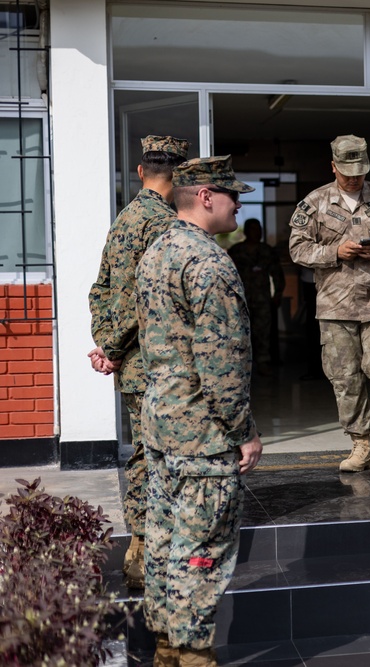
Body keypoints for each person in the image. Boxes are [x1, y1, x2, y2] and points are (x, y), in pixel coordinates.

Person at [136, 155, 261, 667]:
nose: (239, 204)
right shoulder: (208, 262)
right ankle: (191, 653)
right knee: (201, 549)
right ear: (206, 196)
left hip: (162, 425)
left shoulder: (158, 251)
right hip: (203, 435)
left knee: (165, 540)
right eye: (233, 195)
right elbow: (222, 364)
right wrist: (243, 433)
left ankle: (166, 644)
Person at [87, 134, 189, 589]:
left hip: (130, 363)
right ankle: (145, 556)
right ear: (182, 176)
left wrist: (105, 344)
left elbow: (102, 290)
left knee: (145, 455)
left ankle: (140, 552)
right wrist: (112, 346)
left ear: (141, 172)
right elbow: (142, 302)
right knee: (155, 459)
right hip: (154, 364)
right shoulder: (165, 225)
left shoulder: (124, 218)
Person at [289, 135, 370, 473]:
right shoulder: (314, 203)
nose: (354, 178)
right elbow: (297, 249)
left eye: (359, 171)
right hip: (335, 305)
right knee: (345, 377)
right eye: (346, 172)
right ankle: (361, 444)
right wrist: (334, 252)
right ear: (333, 167)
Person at [227, 218, 286, 376]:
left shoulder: (267, 250)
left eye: (258, 228)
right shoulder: (236, 251)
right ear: (246, 231)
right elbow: (228, 277)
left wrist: (278, 293)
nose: (256, 232)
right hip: (241, 300)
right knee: (240, 332)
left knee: (263, 333)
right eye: (253, 229)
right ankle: (240, 365)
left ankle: (263, 362)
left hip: (262, 299)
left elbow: (277, 274)